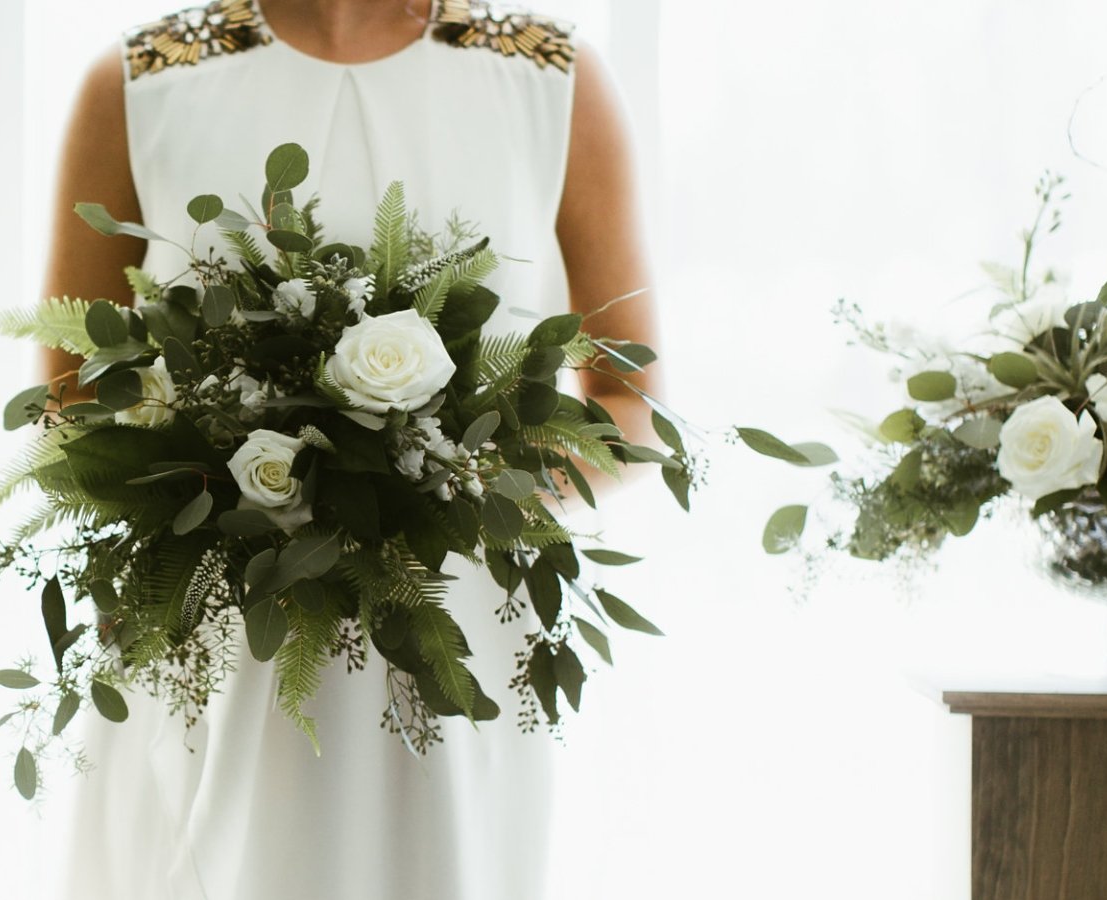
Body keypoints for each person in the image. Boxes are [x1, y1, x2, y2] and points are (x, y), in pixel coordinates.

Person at [40, 1, 658, 896]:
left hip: (455, 631)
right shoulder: (139, 81)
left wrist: (466, 479)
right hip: (217, 632)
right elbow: (70, 406)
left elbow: (630, 403)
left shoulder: (551, 77)